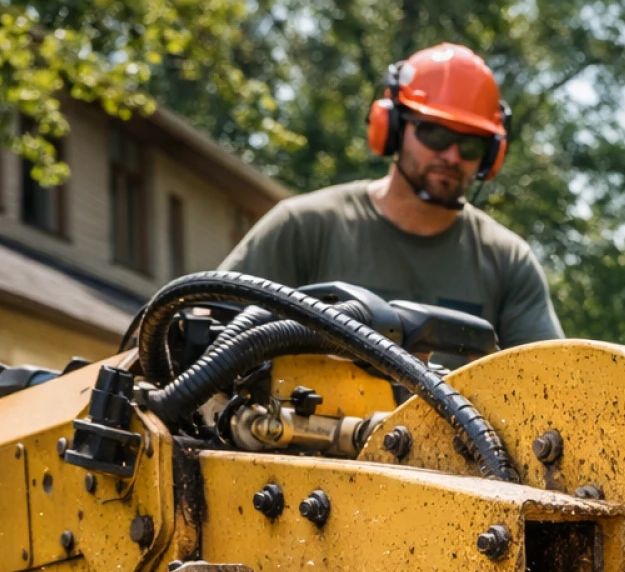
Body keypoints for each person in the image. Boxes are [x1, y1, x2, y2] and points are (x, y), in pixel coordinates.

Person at [219, 43, 564, 346]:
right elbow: (208, 332)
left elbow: (556, 383)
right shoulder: (304, 227)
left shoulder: (507, 261)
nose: (452, 156)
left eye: (471, 144)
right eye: (435, 134)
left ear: (491, 155)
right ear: (393, 127)